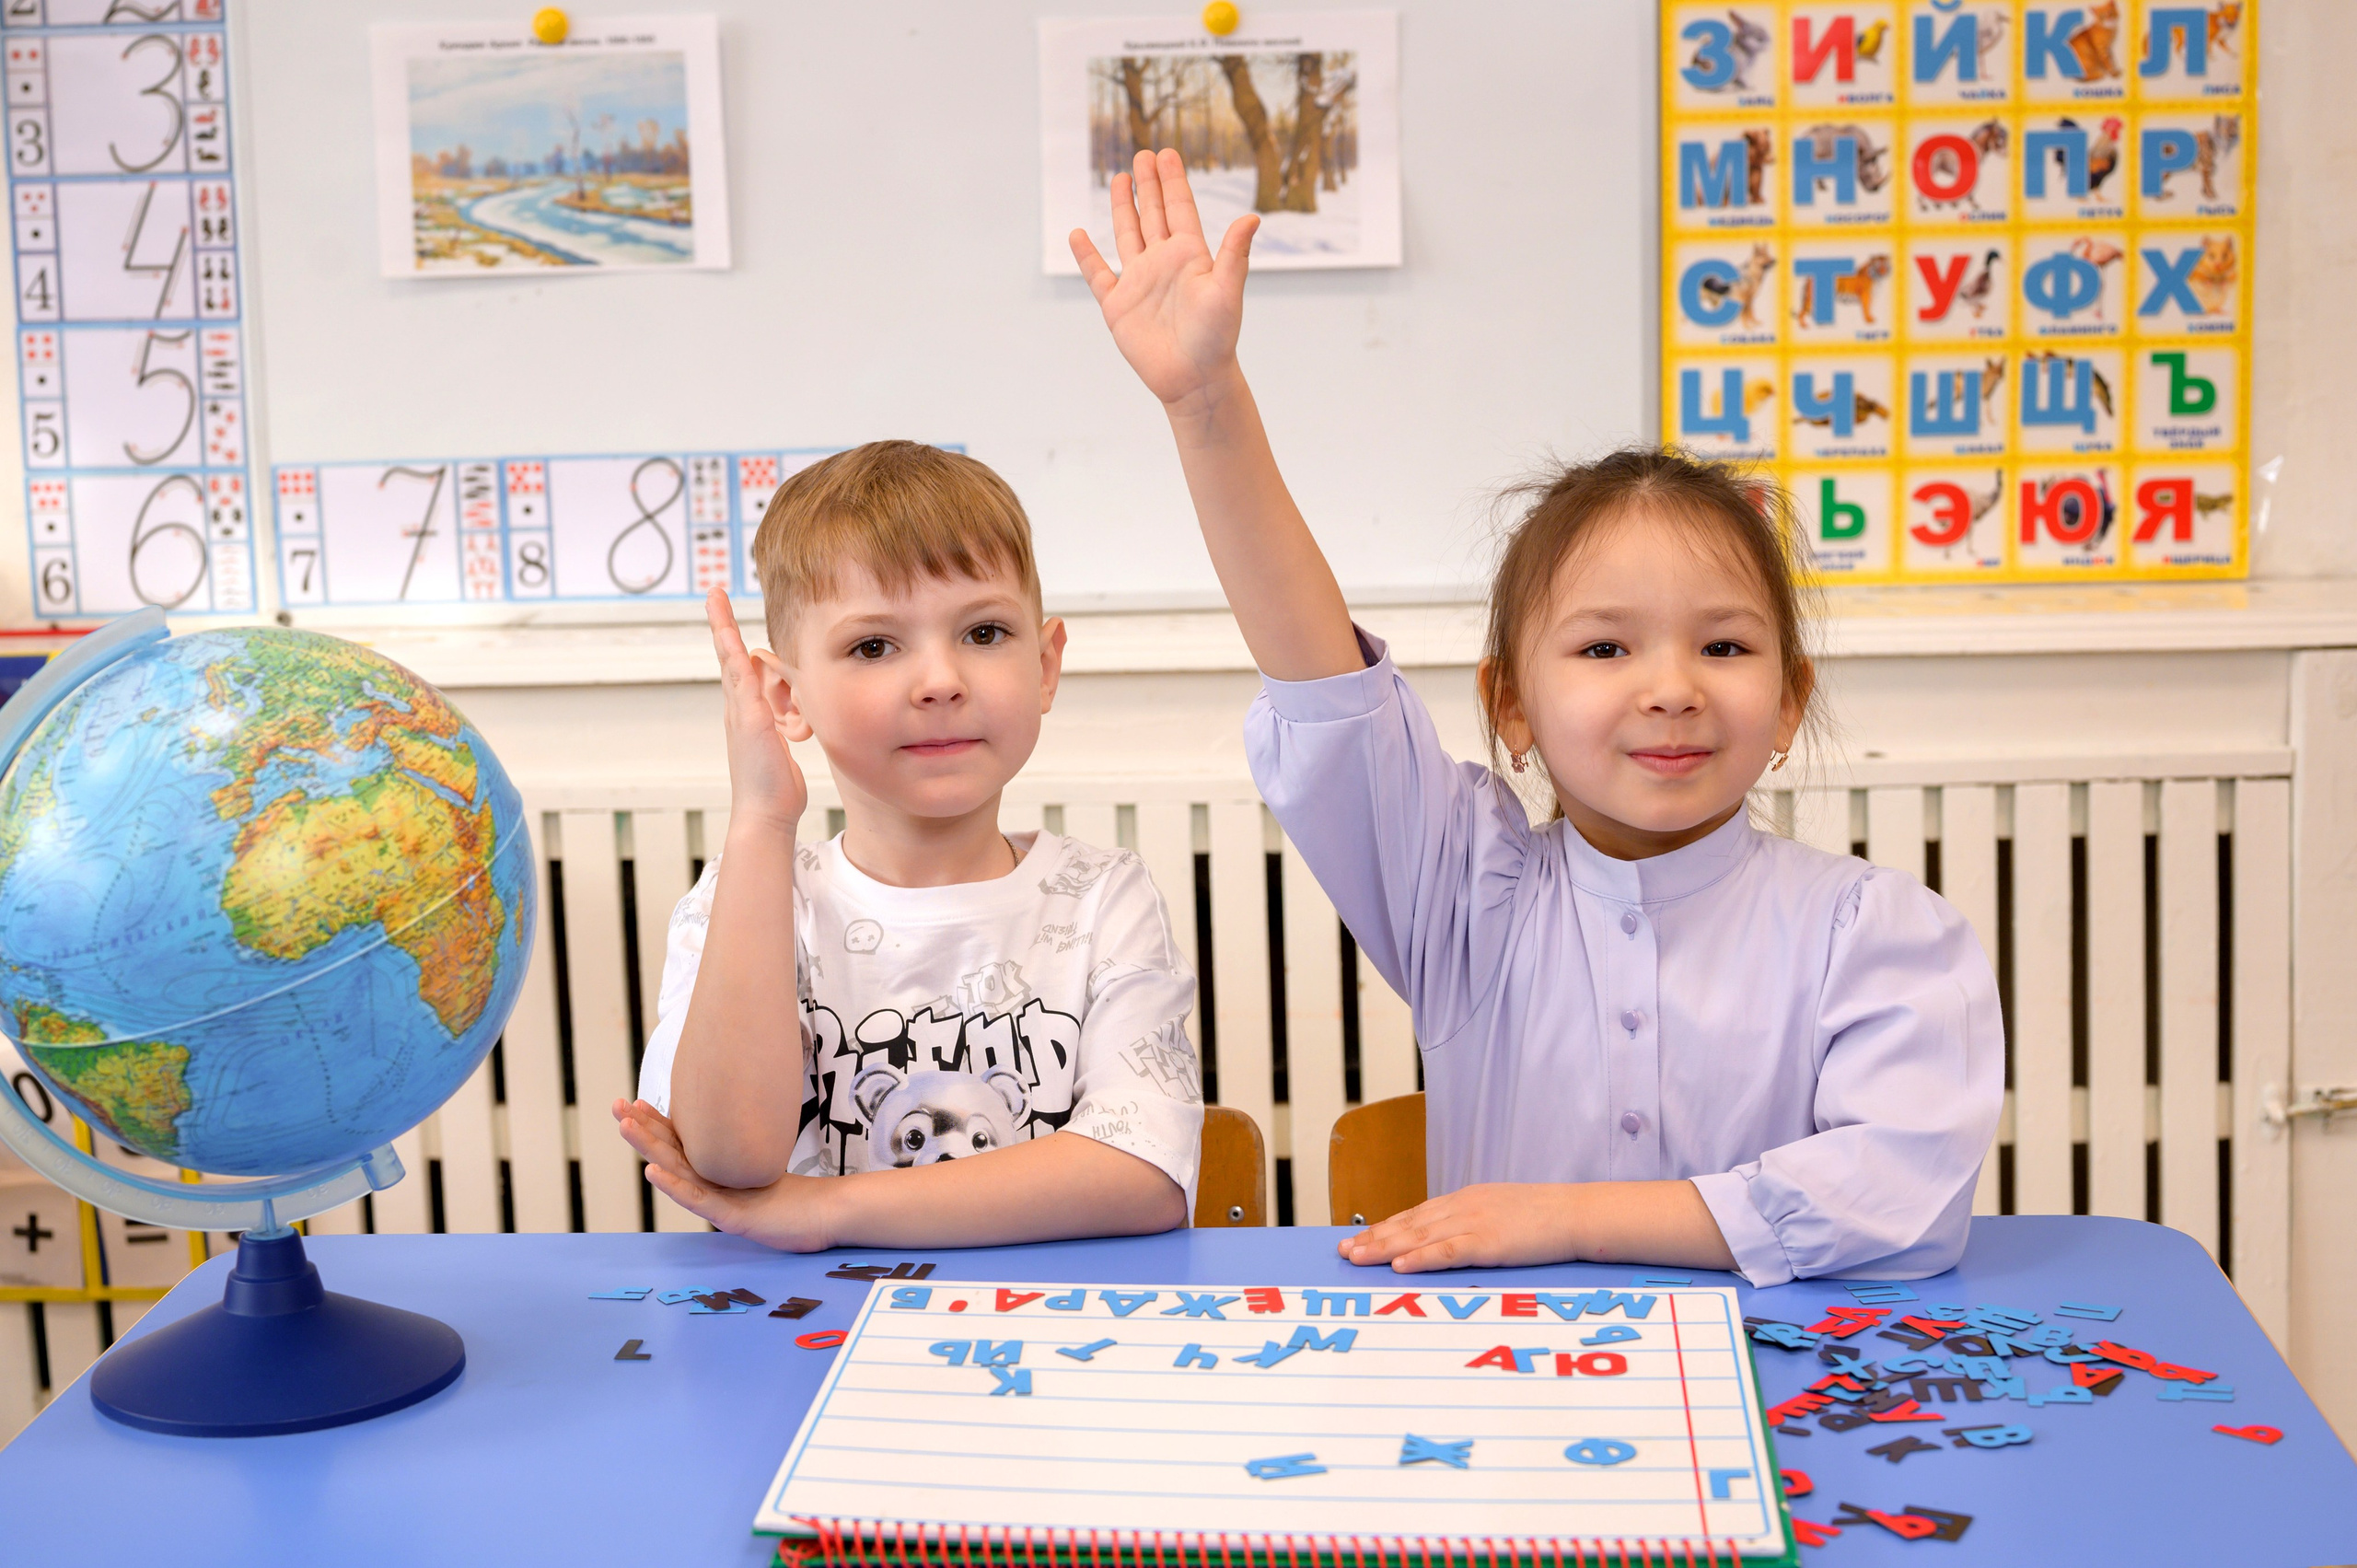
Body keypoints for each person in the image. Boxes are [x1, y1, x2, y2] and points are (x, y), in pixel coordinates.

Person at [1072, 151, 2001, 1285]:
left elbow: (1894, 1198)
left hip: (1784, 1402)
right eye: (1605, 646)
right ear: (1510, 704)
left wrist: (1571, 1218)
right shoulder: (1467, 890)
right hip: (1508, 1405)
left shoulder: (1878, 936)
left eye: (1724, 645)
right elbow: (1321, 685)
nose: (1671, 687)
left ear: (1788, 703)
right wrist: (1204, 401)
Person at [613, 441, 1202, 1250]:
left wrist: (827, 1206)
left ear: (1046, 663)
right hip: (806, 1336)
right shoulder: (746, 895)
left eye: (985, 631)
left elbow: (1143, 1173)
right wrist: (760, 817)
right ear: (785, 696)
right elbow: (730, 1156)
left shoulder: (1105, 897)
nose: (939, 679)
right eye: (874, 646)